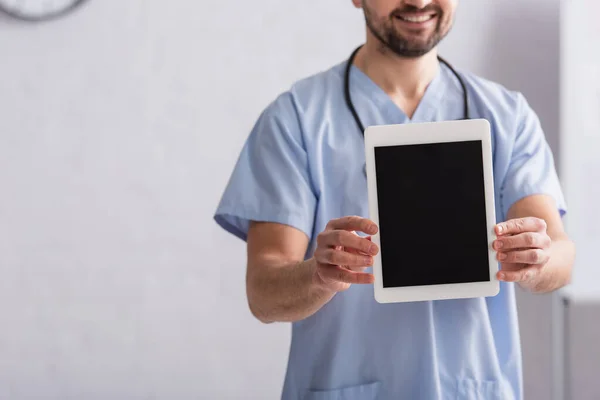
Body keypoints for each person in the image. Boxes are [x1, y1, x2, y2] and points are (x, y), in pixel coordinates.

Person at [213, 0, 576, 398]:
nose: (418, 2)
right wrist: (317, 274)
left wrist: (537, 258)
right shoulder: (296, 119)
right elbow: (264, 290)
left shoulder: (508, 116)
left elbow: (559, 252)